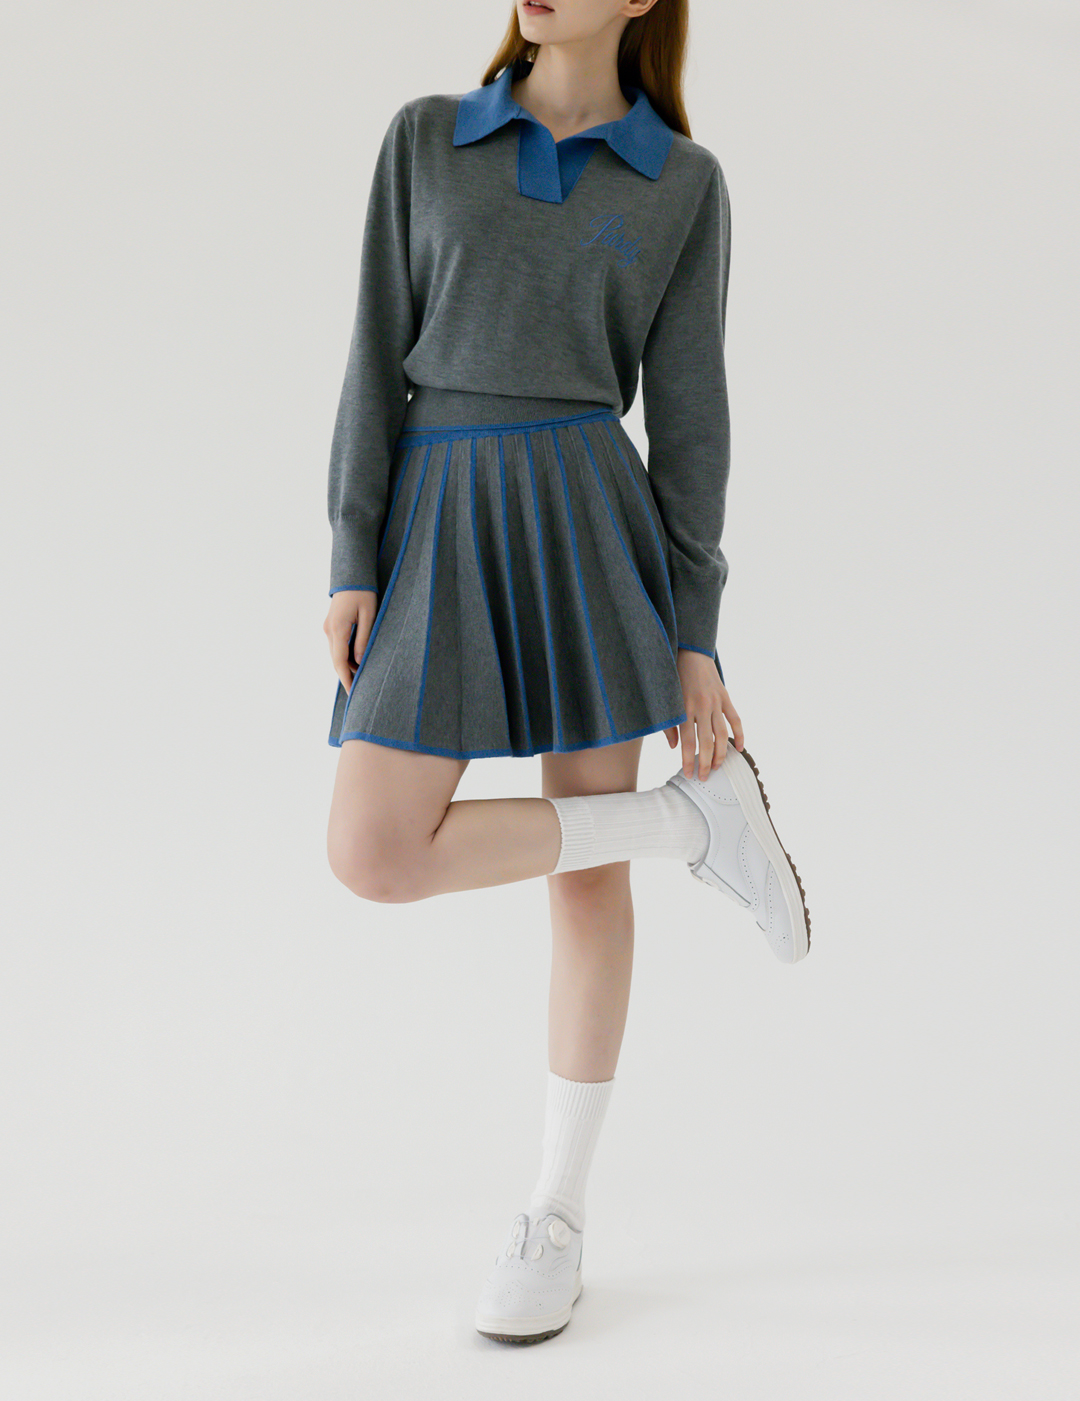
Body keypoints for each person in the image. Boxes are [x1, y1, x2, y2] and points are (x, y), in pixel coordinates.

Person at [322, 0, 811, 1345]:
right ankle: (687, 827)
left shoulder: (683, 183)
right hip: (436, 519)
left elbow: (693, 417)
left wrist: (696, 630)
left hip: (587, 521)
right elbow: (372, 355)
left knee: (584, 882)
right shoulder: (428, 139)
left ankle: (556, 1215)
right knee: (373, 848)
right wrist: (351, 551)